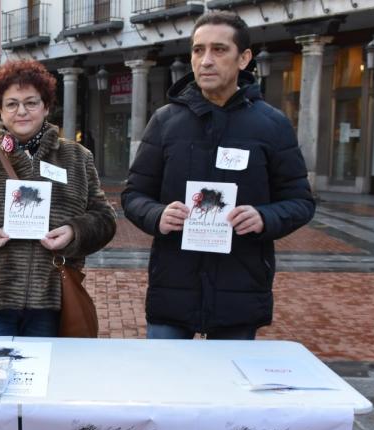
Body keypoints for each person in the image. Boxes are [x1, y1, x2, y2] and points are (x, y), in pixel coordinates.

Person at [122, 11, 314, 340]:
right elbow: (133, 194)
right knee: (166, 388)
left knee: (230, 389)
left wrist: (265, 217)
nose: (206, 60)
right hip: (173, 287)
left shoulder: (272, 124)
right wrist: (157, 214)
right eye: (198, 50)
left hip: (240, 289)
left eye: (219, 50)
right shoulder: (165, 121)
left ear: (244, 58)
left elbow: (300, 201)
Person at [0, 59, 116, 336]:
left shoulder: (77, 158)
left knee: (48, 378)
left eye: (31, 102)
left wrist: (75, 232)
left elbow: (105, 220)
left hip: (52, 302)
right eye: (12, 104)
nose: (22, 111)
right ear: (0, 110)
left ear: (47, 106)